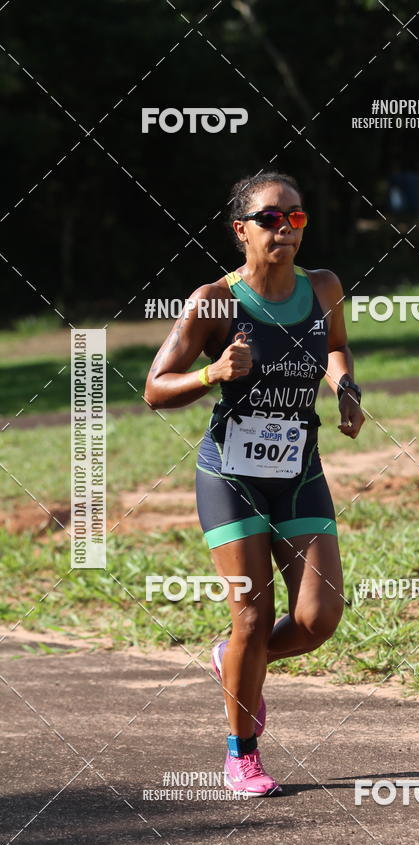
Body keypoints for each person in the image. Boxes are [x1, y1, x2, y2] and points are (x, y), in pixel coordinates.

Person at [144, 171, 364, 796]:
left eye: (295, 217)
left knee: (319, 617)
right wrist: (212, 373)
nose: (285, 229)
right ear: (240, 230)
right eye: (270, 218)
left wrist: (345, 388)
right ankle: (241, 752)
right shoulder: (214, 300)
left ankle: (235, 663)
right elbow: (156, 388)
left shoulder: (324, 289)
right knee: (251, 616)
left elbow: (336, 349)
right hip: (230, 477)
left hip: (299, 472)